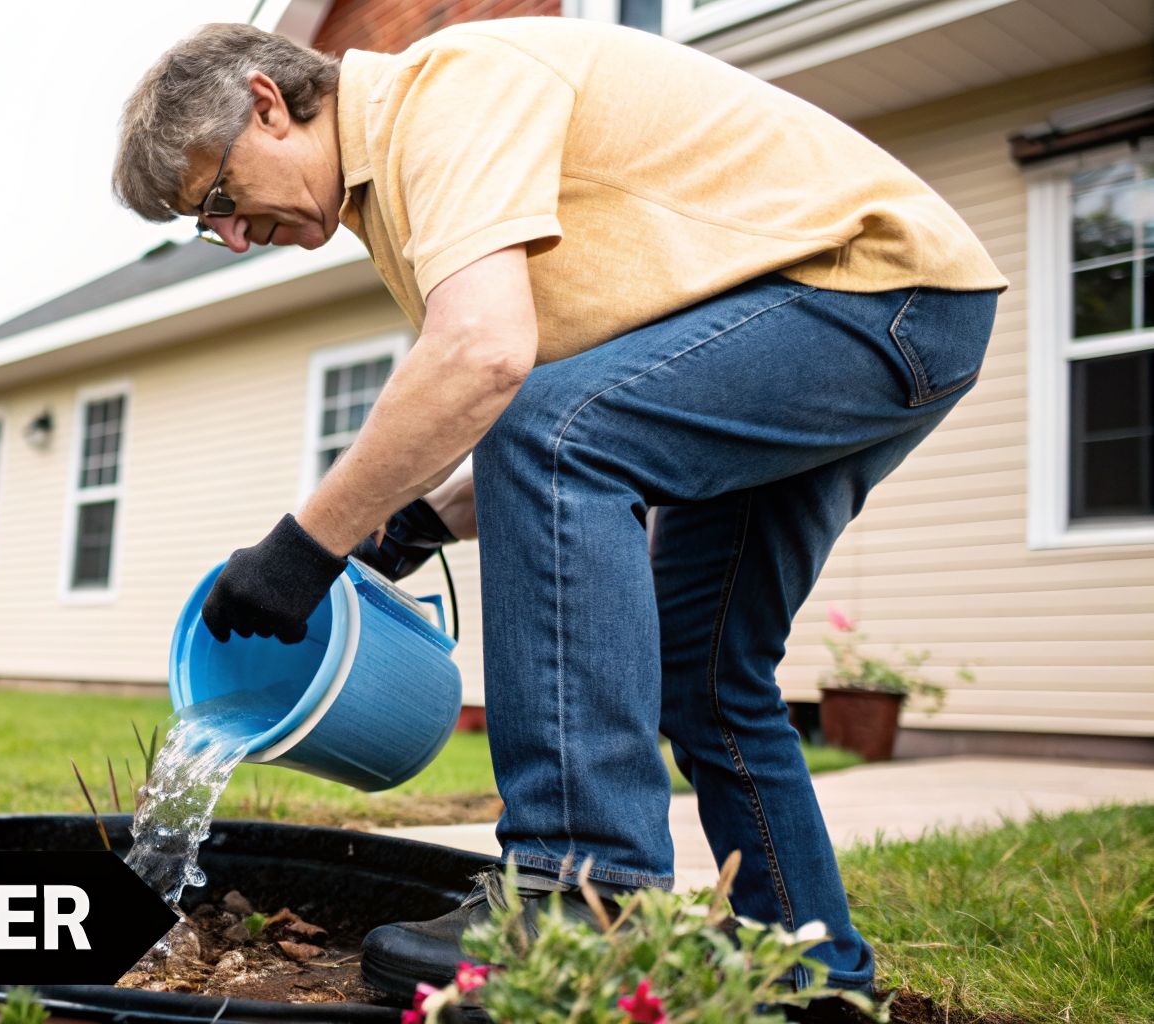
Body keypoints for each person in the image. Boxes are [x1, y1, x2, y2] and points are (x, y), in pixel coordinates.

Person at [111, 15, 1005, 1011]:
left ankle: (582, 884)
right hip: (876, 309)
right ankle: (813, 974)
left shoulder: (440, 92)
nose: (232, 238)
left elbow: (487, 365)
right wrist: (416, 520)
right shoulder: (397, 192)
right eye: (207, 227)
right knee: (706, 676)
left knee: (550, 432)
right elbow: (553, 416)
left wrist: (303, 546)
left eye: (221, 198)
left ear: (268, 105)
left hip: (865, 290)